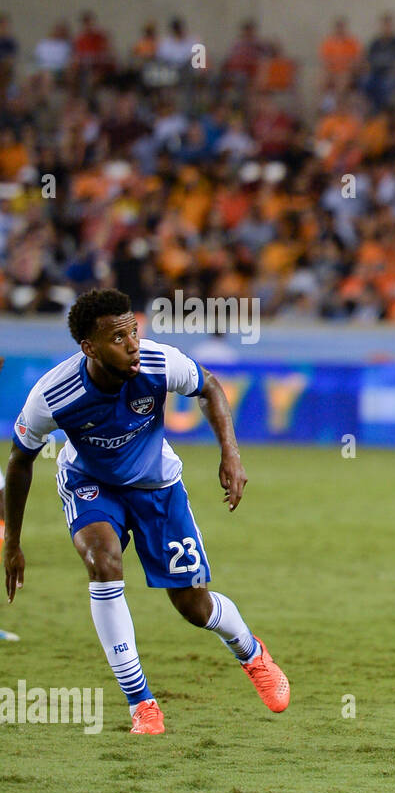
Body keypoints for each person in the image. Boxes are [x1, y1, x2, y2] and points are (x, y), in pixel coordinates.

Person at [3, 289, 290, 734]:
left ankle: (251, 653)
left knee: (193, 606)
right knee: (104, 563)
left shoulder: (159, 362)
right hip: (90, 483)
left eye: (134, 331)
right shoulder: (53, 394)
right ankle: (142, 704)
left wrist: (230, 454)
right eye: (119, 338)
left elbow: (209, 386)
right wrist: (14, 544)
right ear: (89, 348)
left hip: (157, 485)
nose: (133, 343)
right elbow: (20, 459)